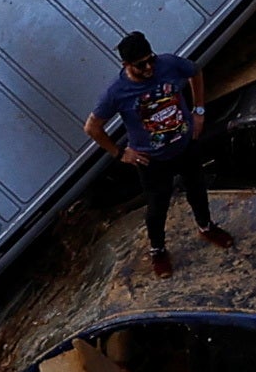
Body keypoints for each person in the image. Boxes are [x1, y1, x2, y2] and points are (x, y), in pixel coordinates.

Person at [83, 31, 220, 268]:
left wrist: (199, 111)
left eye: (151, 60)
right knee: (158, 207)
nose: (148, 67)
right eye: (140, 65)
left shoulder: (168, 64)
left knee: (197, 190)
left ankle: (206, 227)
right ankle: (158, 250)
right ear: (126, 65)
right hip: (152, 161)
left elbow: (195, 71)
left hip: (185, 145)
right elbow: (92, 127)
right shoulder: (116, 92)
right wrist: (120, 153)